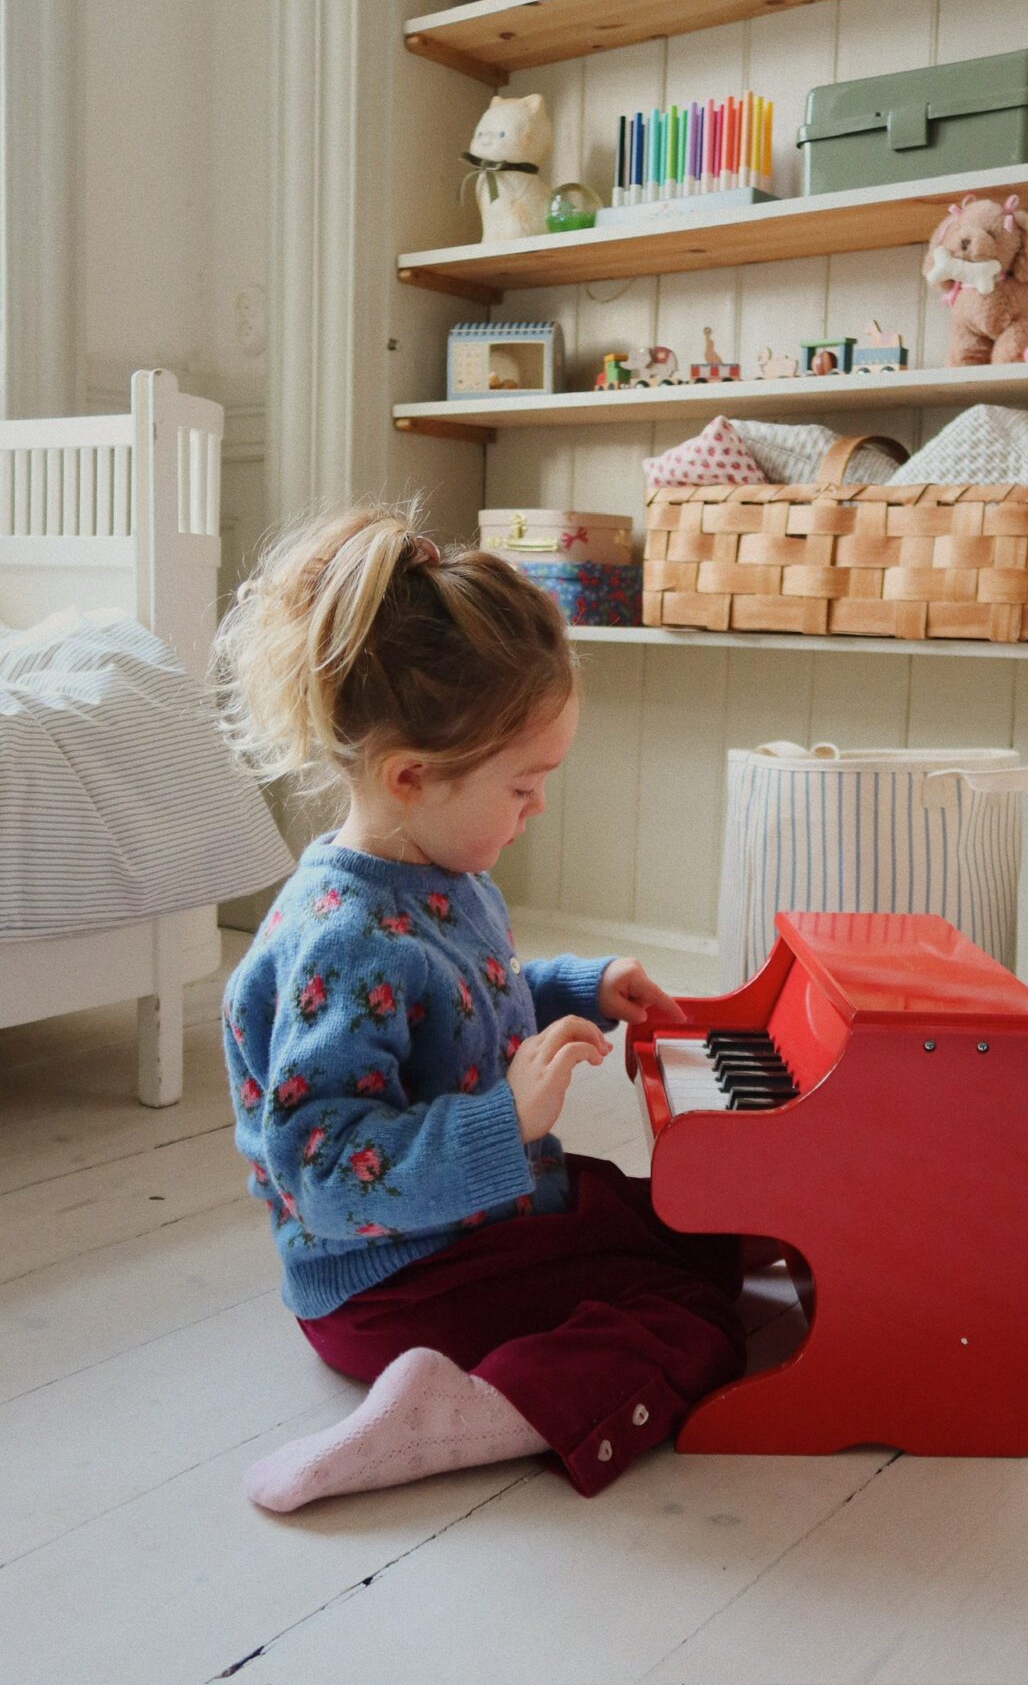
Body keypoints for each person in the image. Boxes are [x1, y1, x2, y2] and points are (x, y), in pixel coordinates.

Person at [213, 505, 746, 1512]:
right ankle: (470, 1412)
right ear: (412, 778)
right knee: (695, 1313)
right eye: (524, 786)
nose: (538, 808)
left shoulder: (440, 875)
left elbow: (461, 1016)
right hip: (389, 1285)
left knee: (696, 1234)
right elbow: (322, 1170)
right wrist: (508, 1120)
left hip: (464, 1229)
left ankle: (488, 1375)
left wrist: (577, 987)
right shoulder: (344, 939)